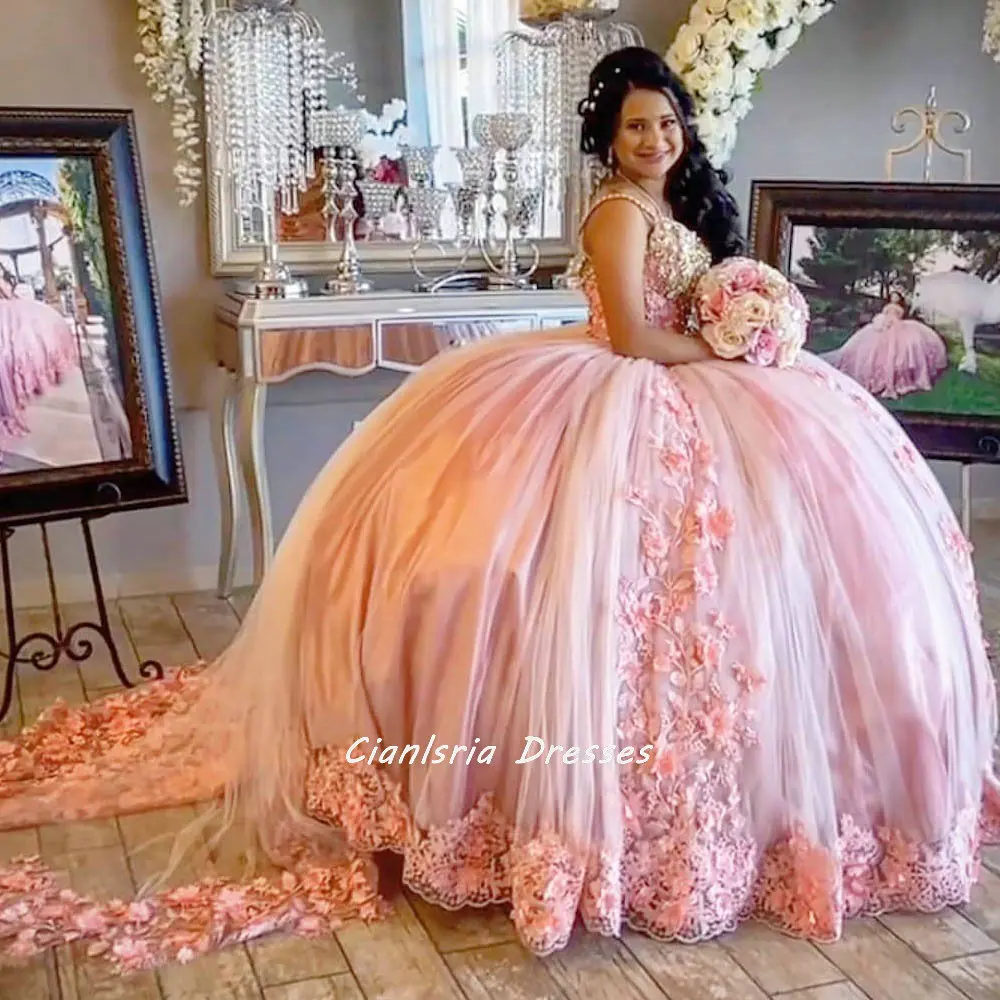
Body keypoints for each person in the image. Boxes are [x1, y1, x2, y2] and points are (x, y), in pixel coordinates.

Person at [0, 46, 997, 973]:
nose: (657, 141)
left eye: (668, 124)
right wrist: (734, 348)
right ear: (608, 138)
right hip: (628, 389)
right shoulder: (616, 214)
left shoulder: (681, 213)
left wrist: (750, 326)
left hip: (701, 392)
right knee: (570, 586)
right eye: (638, 127)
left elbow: (684, 315)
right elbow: (634, 341)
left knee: (769, 577)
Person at [823, 289, 949, 398]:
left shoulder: (899, 308)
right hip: (883, 325)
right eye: (893, 296)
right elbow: (883, 314)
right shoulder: (887, 307)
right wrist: (882, 321)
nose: (894, 298)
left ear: (899, 299)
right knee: (872, 348)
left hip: (897, 326)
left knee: (902, 349)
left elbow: (899, 316)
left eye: (897, 296)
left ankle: (900, 375)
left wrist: (891, 320)